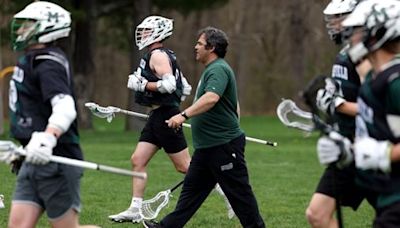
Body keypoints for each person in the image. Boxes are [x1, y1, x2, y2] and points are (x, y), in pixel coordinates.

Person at [109, 16, 234, 223]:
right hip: (157, 115)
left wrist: (142, 85)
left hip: (166, 116)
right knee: (137, 160)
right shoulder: (160, 54)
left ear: (158, 33)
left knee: (186, 167)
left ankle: (228, 194)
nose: (143, 35)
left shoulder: (158, 55)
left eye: (148, 31)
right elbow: (183, 87)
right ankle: (135, 208)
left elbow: (169, 85)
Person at [143, 26, 265, 228]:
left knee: (240, 196)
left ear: (212, 47)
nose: (195, 47)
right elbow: (233, 103)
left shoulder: (218, 69)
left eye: (200, 44)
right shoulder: (212, 70)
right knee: (191, 194)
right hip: (207, 148)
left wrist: (183, 115)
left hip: (223, 147)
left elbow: (212, 98)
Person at [7, 2, 98, 228]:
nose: (20, 31)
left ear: (48, 28)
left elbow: (65, 106)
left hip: (57, 158)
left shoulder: (48, 62)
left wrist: (47, 138)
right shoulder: (30, 59)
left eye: (27, 26)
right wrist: (24, 145)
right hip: (33, 157)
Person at [306, 0, 378, 227]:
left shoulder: (364, 55)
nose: (333, 25)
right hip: (345, 149)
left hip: (369, 149)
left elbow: (377, 107)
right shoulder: (346, 53)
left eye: (338, 18)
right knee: (317, 214)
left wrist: (337, 105)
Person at [341, 0, 400, 226]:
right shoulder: (372, 80)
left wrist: (382, 154)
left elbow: (382, 149)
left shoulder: (395, 82)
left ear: (380, 33)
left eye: (360, 31)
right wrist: (347, 151)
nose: (353, 37)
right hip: (387, 195)